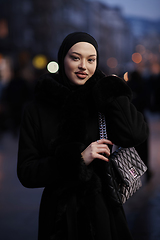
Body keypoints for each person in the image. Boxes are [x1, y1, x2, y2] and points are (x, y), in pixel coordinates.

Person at [17, 32, 148, 240]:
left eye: (91, 60)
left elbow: (135, 134)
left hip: (104, 213)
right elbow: (26, 172)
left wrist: (113, 92)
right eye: (75, 58)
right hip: (59, 218)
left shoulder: (102, 100)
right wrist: (78, 160)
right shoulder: (37, 109)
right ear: (62, 59)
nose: (83, 66)